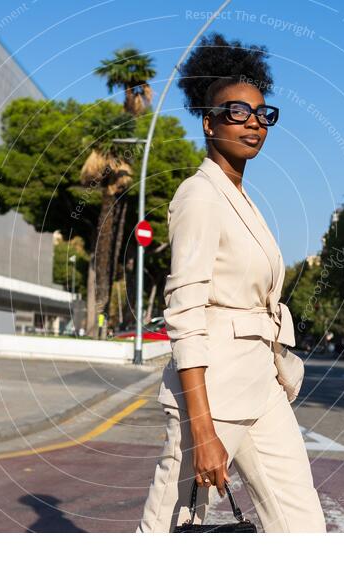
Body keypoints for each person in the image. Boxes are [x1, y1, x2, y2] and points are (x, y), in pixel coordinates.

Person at [135, 33, 327, 533]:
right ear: (208, 120)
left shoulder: (242, 199)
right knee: (164, 530)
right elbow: (185, 313)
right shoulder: (199, 195)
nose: (253, 123)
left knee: (303, 527)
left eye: (263, 114)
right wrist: (201, 425)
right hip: (212, 390)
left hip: (262, 383)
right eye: (237, 112)